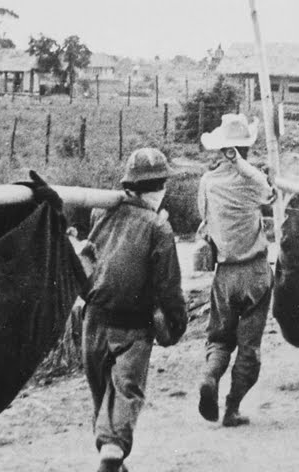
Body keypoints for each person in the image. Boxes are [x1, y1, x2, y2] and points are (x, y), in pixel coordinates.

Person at [81, 148, 187, 472]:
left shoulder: (101, 213)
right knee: (126, 393)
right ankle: (112, 457)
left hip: (92, 322)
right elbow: (168, 287)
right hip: (132, 326)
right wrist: (177, 323)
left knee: (103, 397)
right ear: (160, 188)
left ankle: (112, 457)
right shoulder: (159, 228)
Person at [196, 114, 287, 428]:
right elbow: (270, 193)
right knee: (249, 346)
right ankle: (231, 408)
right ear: (245, 148)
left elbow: (203, 217)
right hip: (255, 270)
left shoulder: (208, 182)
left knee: (220, 338)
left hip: (224, 273)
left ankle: (210, 376)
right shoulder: (252, 181)